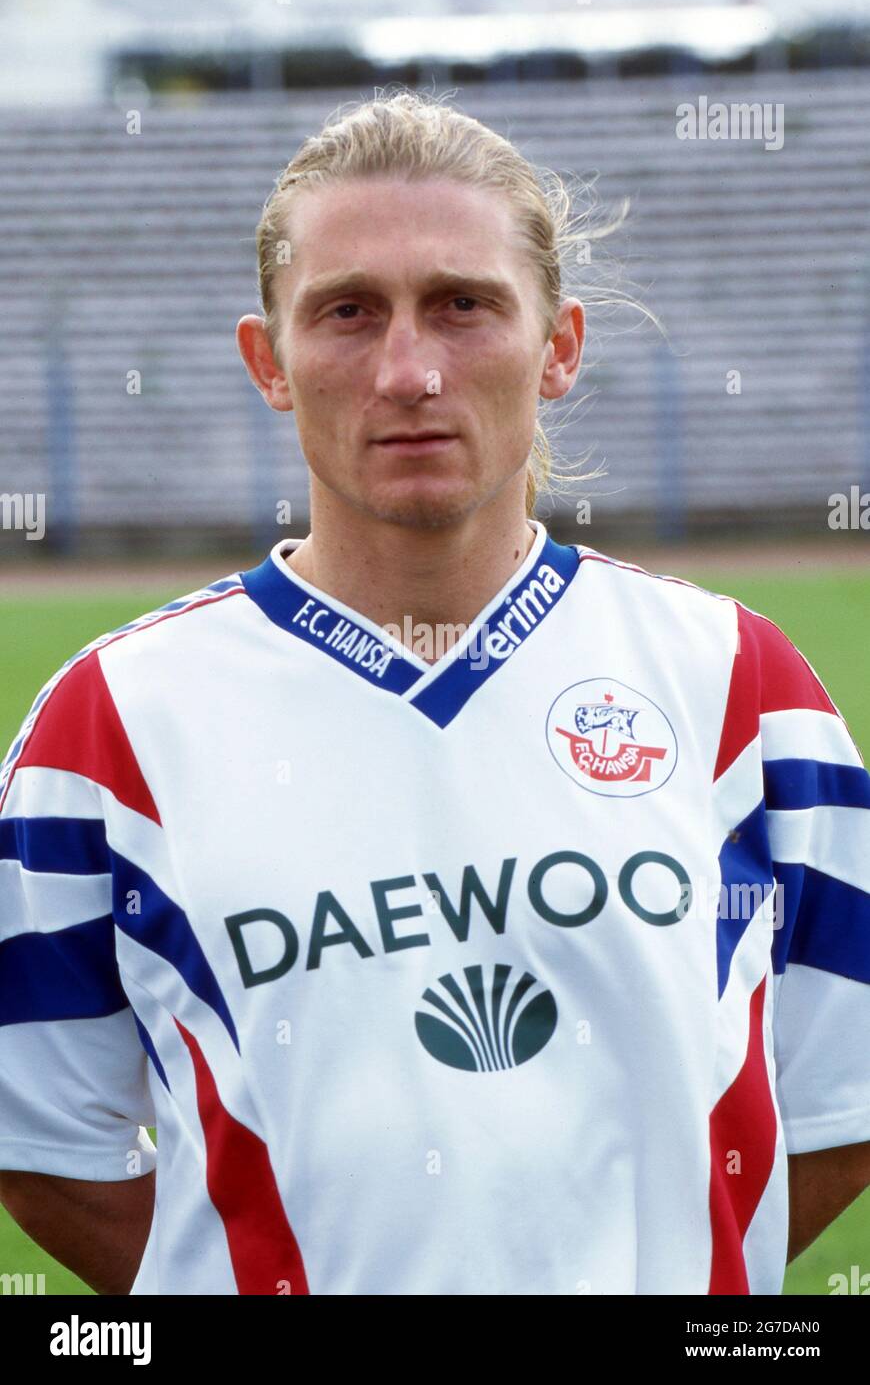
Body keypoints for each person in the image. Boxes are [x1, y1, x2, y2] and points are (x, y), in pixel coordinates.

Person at [1, 90, 868, 1296]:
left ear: (558, 344)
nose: (409, 370)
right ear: (271, 362)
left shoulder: (743, 691)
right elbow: (46, 1153)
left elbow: (840, 1106)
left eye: (463, 305)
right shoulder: (107, 729)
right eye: (348, 313)